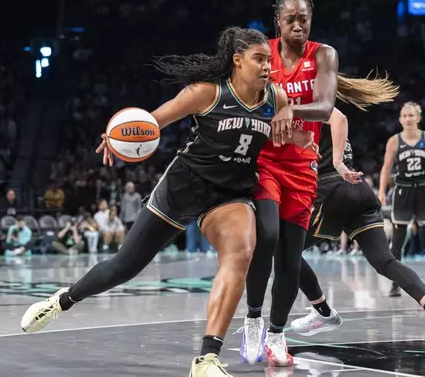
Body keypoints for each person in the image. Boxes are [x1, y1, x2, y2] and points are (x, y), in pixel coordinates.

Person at [20, 26, 315, 377]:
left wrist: (298, 134)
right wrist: (115, 137)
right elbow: (152, 122)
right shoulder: (207, 92)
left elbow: (291, 128)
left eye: (269, 59)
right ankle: (60, 302)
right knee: (124, 267)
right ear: (237, 61)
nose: (268, 65)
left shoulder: (276, 98)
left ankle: (206, 359)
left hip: (230, 194)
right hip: (184, 186)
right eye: (259, 59)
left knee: (240, 254)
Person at [240, 0, 399, 367]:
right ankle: (252, 319)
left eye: (303, 18)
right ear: (277, 21)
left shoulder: (324, 54)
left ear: (310, 20)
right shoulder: (261, 52)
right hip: (264, 161)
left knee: (291, 259)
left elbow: (327, 107)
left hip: (302, 167)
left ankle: (276, 336)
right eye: (290, 18)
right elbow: (246, 100)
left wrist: (287, 107)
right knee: (268, 236)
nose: (297, 24)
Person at [288, 108, 425, 352]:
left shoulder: (310, 109)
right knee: (385, 260)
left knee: (286, 252)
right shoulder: (324, 109)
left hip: (331, 188)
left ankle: (322, 311)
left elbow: (335, 119)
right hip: (358, 187)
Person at [378, 102, 425, 297]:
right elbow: (386, 168)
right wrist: (382, 191)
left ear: (418, 118)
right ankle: (396, 283)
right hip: (403, 192)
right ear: (400, 120)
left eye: (411, 115)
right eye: (404, 115)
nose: (408, 119)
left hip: (424, 191)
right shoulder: (394, 141)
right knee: (398, 240)